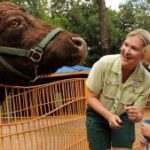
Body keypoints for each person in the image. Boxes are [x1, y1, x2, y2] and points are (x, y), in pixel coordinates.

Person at [85, 28, 150, 150]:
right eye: (126, 45)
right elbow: (91, 97)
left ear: (143, 56)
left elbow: (140, 113)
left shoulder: (146, 79)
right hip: (98, 114)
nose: (126, 51)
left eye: (134, 48)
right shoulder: (104, 64)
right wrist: (109, 116)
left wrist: (136, 116)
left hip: (123, 117)